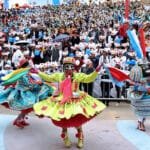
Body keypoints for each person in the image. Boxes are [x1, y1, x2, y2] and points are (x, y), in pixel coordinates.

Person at [32, 57, 106, 148]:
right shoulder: (59, 76)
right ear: (63, 68)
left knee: (77, 120)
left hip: (76, 100)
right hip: (63, 100)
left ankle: (80, 137)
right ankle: (65, 136)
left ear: (73, 68)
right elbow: (48, 77)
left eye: (71, 67)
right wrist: (38, 72)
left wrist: (96, 71)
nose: (68, 70)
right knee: (64, 119)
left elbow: (89, 79)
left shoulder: (78, 76)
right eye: (66, 67)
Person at [0, 59, 54, 128]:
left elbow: (31, 83)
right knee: (30, 105)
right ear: (27, 66)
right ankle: (19, 120)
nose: (30, 65)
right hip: (24, 93)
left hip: (26, 91)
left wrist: (39, 82)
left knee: (26, 108)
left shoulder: (25, 73)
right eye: (29, 64)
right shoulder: (23, 74)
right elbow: (30, 85)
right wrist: (39, 83)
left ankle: (19, 120)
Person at [127, 61, 150, 131]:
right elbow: (133, 82)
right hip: (139, 94)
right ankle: (140, 123)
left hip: (146, 95)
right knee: (141, 109)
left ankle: (141, 122)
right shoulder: (136, 70)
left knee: (145, 110)